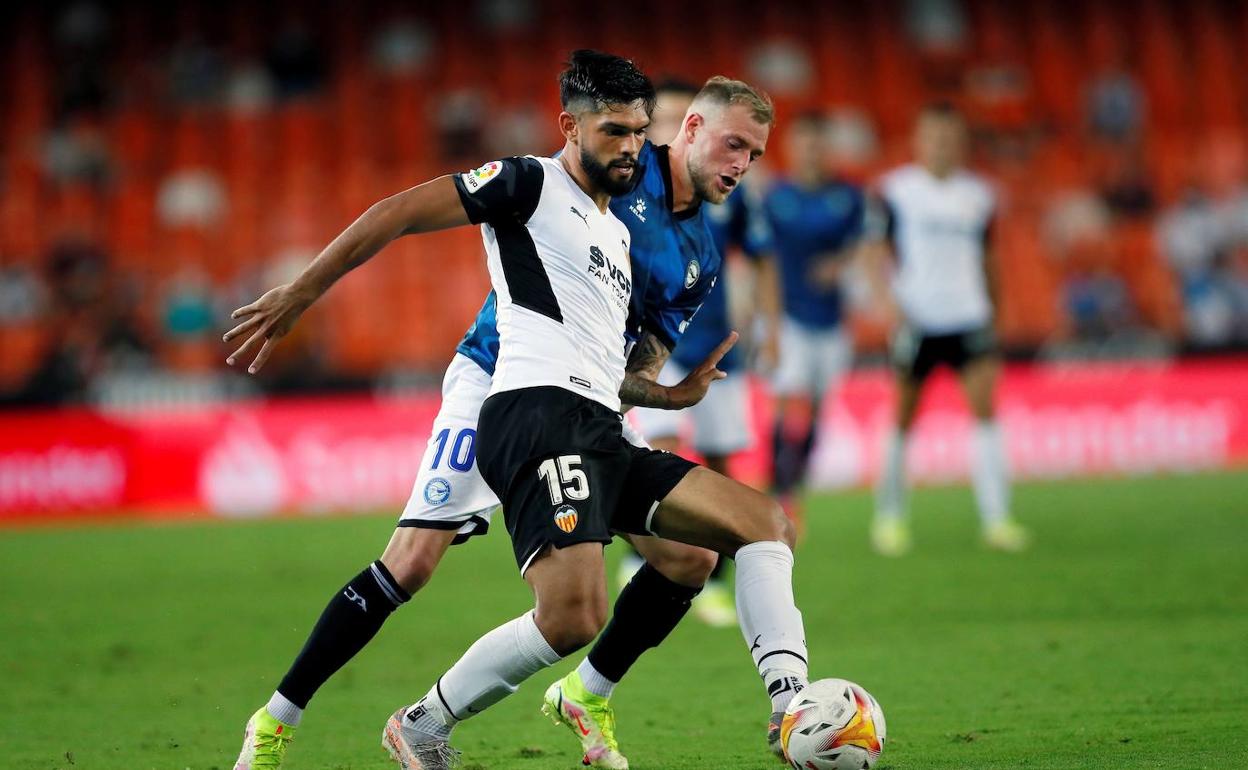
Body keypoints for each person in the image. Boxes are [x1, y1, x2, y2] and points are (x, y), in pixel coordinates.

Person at [224, 54, 806, 770]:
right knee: (411, 563)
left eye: (755, 153)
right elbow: (413, 212)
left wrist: (667, 394)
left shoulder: (694, 254)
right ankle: (278, 720)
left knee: (690, 555)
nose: (743, 163)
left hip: (591, 398)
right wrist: (301, 292)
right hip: (500, 378)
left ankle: (597, 695)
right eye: (734, 144)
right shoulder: (583, 174)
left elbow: (637, 368)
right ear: (684, 130)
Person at [628, 77, 782, 628]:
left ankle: (712, 579)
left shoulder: (726, 200)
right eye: (660, 119)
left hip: (716, 349)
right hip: (653, 350)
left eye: (752, 152)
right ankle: (643, 555)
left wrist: (768, 324)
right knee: (660, 450)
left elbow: (761, 257)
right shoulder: (631, 187)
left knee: (719, 462)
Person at [863, 102, 1031, 556]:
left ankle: (998, 519)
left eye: (949, 138)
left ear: (961, 144)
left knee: (986, 414)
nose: (941, 146)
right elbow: (875, 252)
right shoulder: (896, 191)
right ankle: (890, 519)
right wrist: (887, 304)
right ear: (919, 142)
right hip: (917, 319)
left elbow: (989, 256)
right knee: (902, 418)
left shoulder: (980, 194)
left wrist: (995, 310)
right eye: (933, 137)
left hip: (969, 316)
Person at [762, 111, 863, 529]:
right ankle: (780, 491)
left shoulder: (849, 197)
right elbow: (761, 259)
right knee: (790, 402)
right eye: (804, 144)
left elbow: (865, 245)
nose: (812, 152)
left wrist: (839, 265)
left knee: (818, 408)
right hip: (788, 318)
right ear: (792, 149)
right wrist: (768, 327)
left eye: (818, 144)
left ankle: (794, 483)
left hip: (832, 321)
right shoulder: (775, 198)